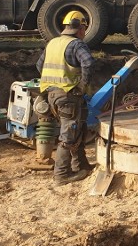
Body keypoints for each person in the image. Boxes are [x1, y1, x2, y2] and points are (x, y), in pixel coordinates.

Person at [36, 10, 96, 185]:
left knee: (78, 130)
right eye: (84, 28)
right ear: (79, 28)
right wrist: (83, 85)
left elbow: (39, 65)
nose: (84, 32)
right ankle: (61, 174)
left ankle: (80, 165)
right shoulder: (76, 44)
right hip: (68, 95)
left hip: (51, 95)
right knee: (69, 134)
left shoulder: (52, 43)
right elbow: (89, 63)